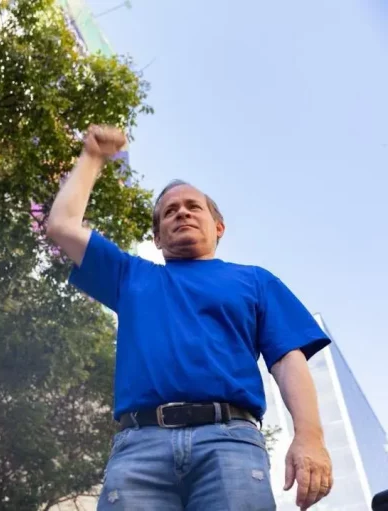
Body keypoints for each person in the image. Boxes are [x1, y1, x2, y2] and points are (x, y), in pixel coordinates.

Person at [45, 125, 333, 511]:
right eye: (169, 212)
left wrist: (310, 437)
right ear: (158, 238)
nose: (181, 212)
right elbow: (62, 226)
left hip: (230, 442)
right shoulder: (131, 277)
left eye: (193, 207)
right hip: (139, 446)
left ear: (218, 227)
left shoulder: (255, 281)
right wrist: (93, 157)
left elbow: (287, 361)